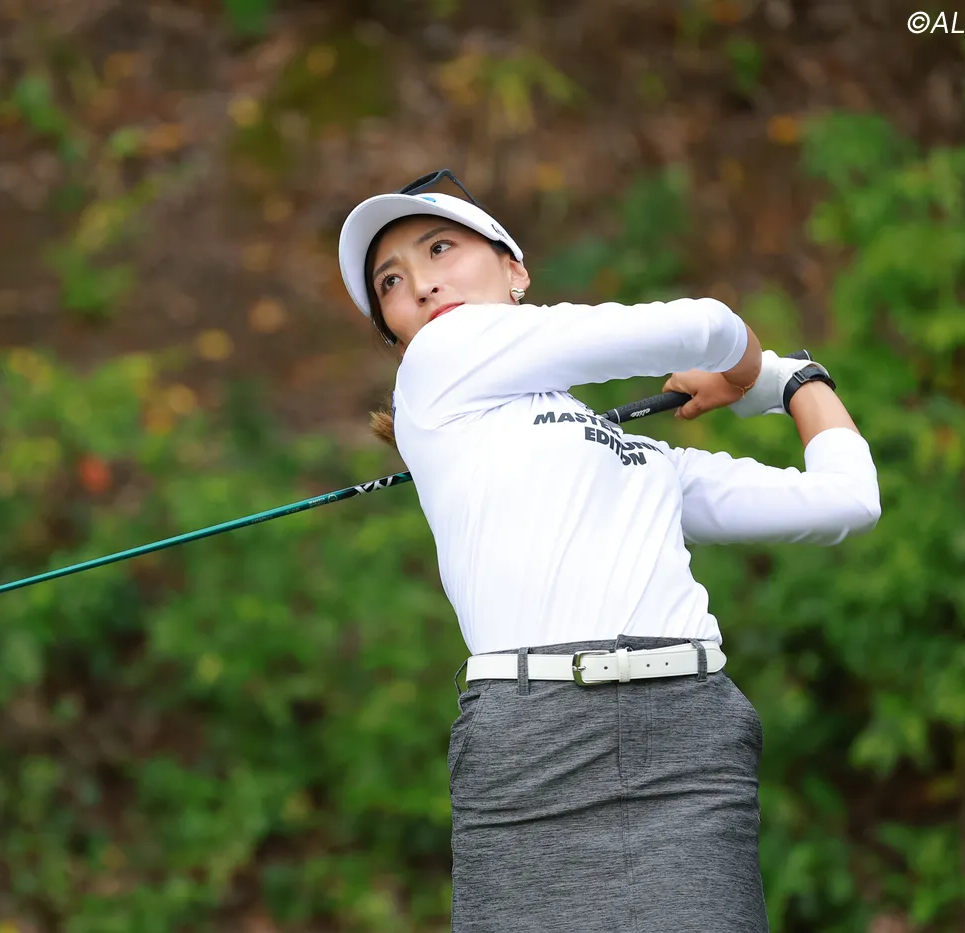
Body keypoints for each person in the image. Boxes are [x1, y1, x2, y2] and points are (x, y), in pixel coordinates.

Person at [336, 170, 881, 933]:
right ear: (395, 331)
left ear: (516, 271)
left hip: (687, 742)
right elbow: (707, 326)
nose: (422, 284)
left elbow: (846, 499)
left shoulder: (642, 459)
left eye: (440, 249)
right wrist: (750, 374)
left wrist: (798, 380)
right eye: (391, 281)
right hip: (533, 752)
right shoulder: (437, 362)